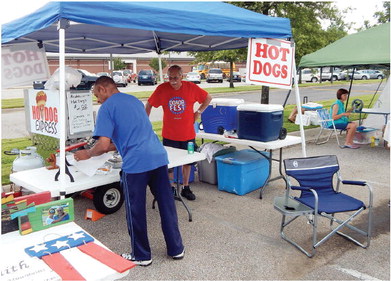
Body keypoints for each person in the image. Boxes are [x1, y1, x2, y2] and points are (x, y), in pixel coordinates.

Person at [73, 76, 184, 266]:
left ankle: (142, 255)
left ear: (102, 89)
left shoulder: (106, 108)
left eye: (96, 95)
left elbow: (103, 144)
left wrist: (88, 154)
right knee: (167, 205)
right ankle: (176, 249)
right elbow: (127, 138)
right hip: (158, 157)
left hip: (136, 164)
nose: (97, 100)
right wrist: (106, 148)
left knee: (135, 210)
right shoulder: (134, 101)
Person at [145, 65, 212, 200]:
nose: (173, 81)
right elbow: (149, 104)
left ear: (182, 76)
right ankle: (171, 188)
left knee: (188, 162)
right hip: (169, 134)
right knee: (169, 163)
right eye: (170, 78)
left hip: (188, 134)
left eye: (175, 78)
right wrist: (145, 122)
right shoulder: (162, 89)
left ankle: (185, 187)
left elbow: (208, 98)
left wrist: (198, 112)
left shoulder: (191, 88)